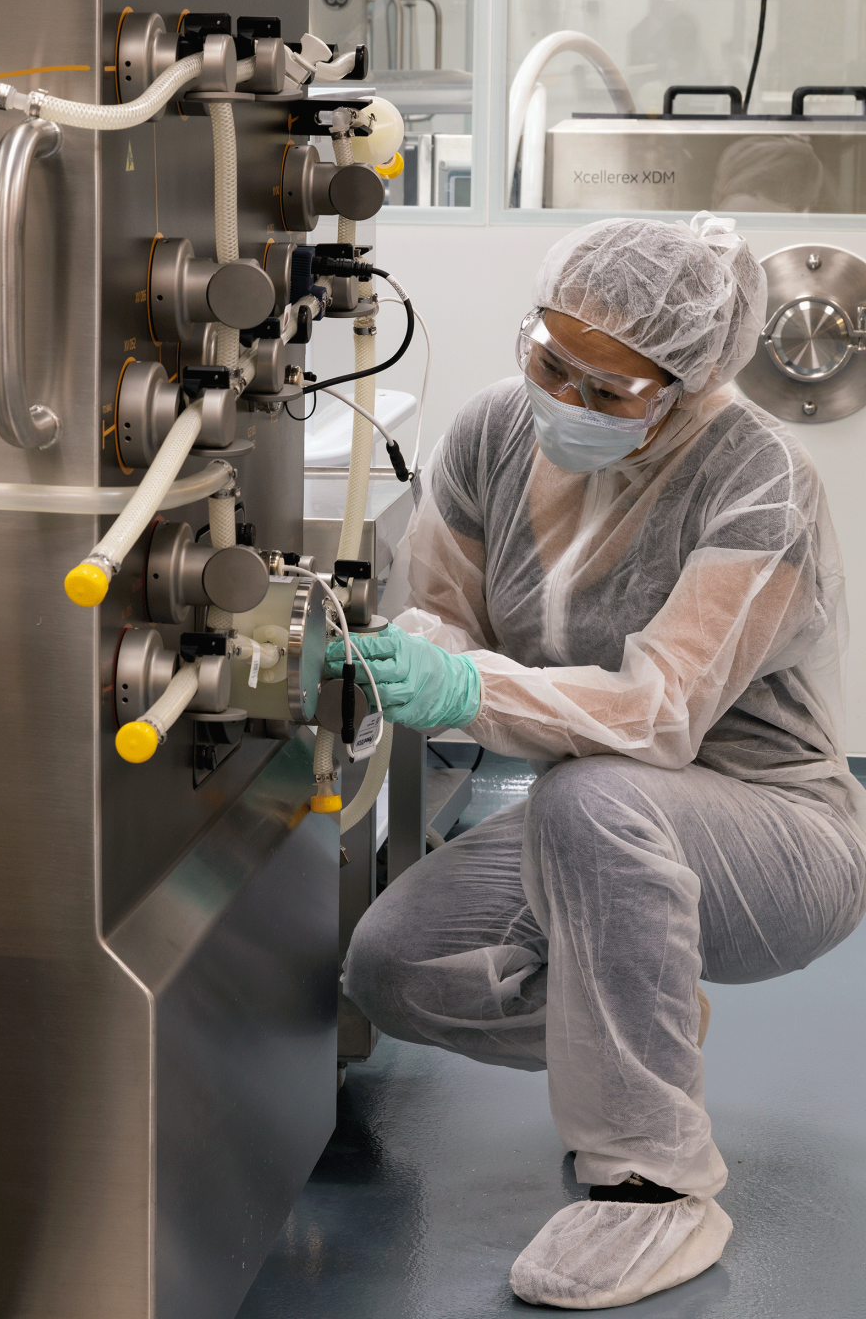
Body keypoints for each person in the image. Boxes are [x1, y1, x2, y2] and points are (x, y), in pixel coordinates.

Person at [323, 212, 866, 1309]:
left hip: (778, 834)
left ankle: (654, 1191)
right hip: (604, 824)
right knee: (394, 965)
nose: (566, 401)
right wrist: (420, 654)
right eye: (548, 361)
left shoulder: (759, 480)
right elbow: (441, 609)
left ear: (687, 384)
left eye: (609, 392)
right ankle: (639, 1012)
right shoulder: (488, 434)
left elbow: (659, 714)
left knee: (593, 790)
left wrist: (473, 690)